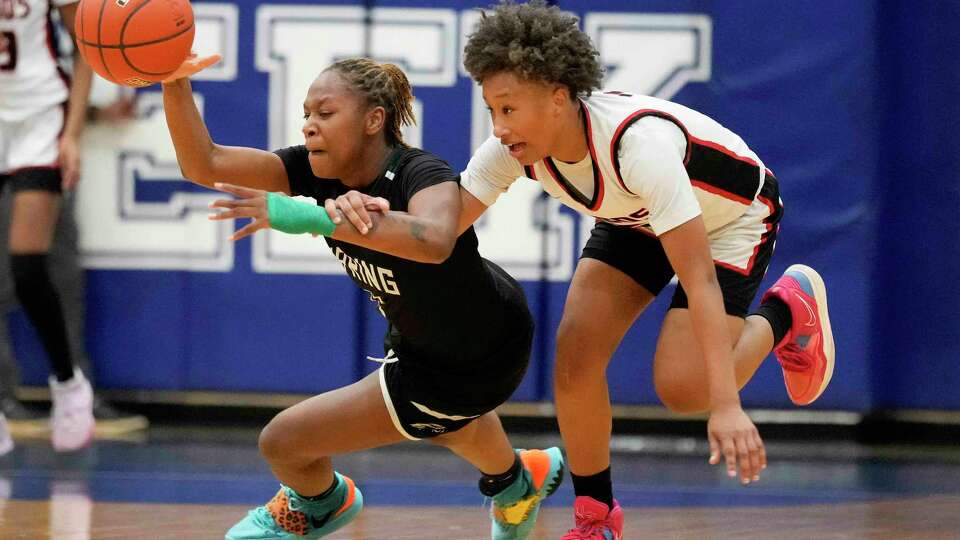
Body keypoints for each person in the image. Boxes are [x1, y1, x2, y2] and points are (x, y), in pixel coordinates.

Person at [335, 2, 835, 537]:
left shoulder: (638, 147)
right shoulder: (514, 148)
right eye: (492, 110)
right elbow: (438, 230)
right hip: (633, 214)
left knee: (687, 390)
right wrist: (368, 212)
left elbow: (699, 279)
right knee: (574, 356)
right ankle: (597, 517)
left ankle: (787, 310)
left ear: (557, 98)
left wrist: (728, 406)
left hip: (729, 220)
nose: (499, 127)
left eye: (509, 109)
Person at [160, 55, 564, 539]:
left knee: (283, 442)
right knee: (448, 423)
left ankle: (322, 503)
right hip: (433, 343)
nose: (309, 126)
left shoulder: (420, 171)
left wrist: (320, 219)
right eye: (306, 115)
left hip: (471, 355)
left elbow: (437, 240)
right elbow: (204, 163)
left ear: (374, 120)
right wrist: (173, 83)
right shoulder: (315, 171)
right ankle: (516, 480)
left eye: (325, 114)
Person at [0, 0, 97, 452]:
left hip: (39, 114)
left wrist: (72, 133)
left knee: (27, 267)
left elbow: (86, 49)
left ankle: (67, 381)